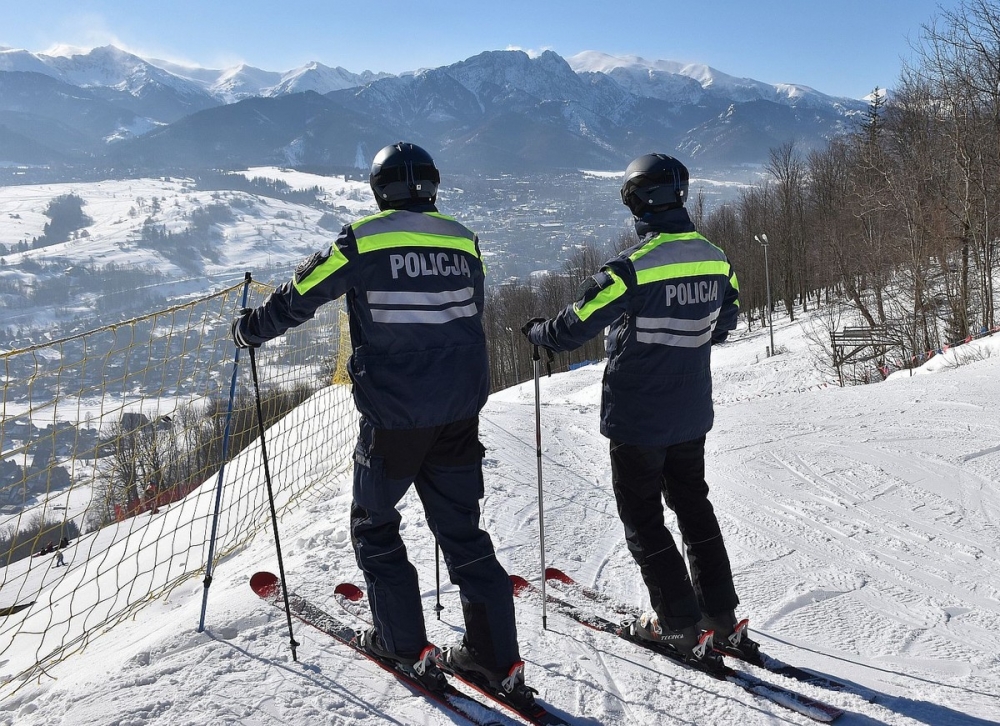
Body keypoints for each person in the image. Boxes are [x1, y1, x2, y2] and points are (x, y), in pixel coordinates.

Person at [232, 142, 535, 707]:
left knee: (375, 524)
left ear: (380, 189)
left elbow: (302, 294)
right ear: (432, 187)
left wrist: (251, 330)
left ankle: (403, 644)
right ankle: (495, 658)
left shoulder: (361, 239)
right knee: (464, 533)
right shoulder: (464, 239)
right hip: (460, 411)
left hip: (395, 414)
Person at [521, 153, 758, 666]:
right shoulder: (717, 259)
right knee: (694, 508)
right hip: (690, 410)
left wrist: (539, 331)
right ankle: (721, 616)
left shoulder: (631, 268)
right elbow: (726, 320)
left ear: (638, 203)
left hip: (637, 417)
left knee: (644, 517)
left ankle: (677, 624)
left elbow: (573, 326)